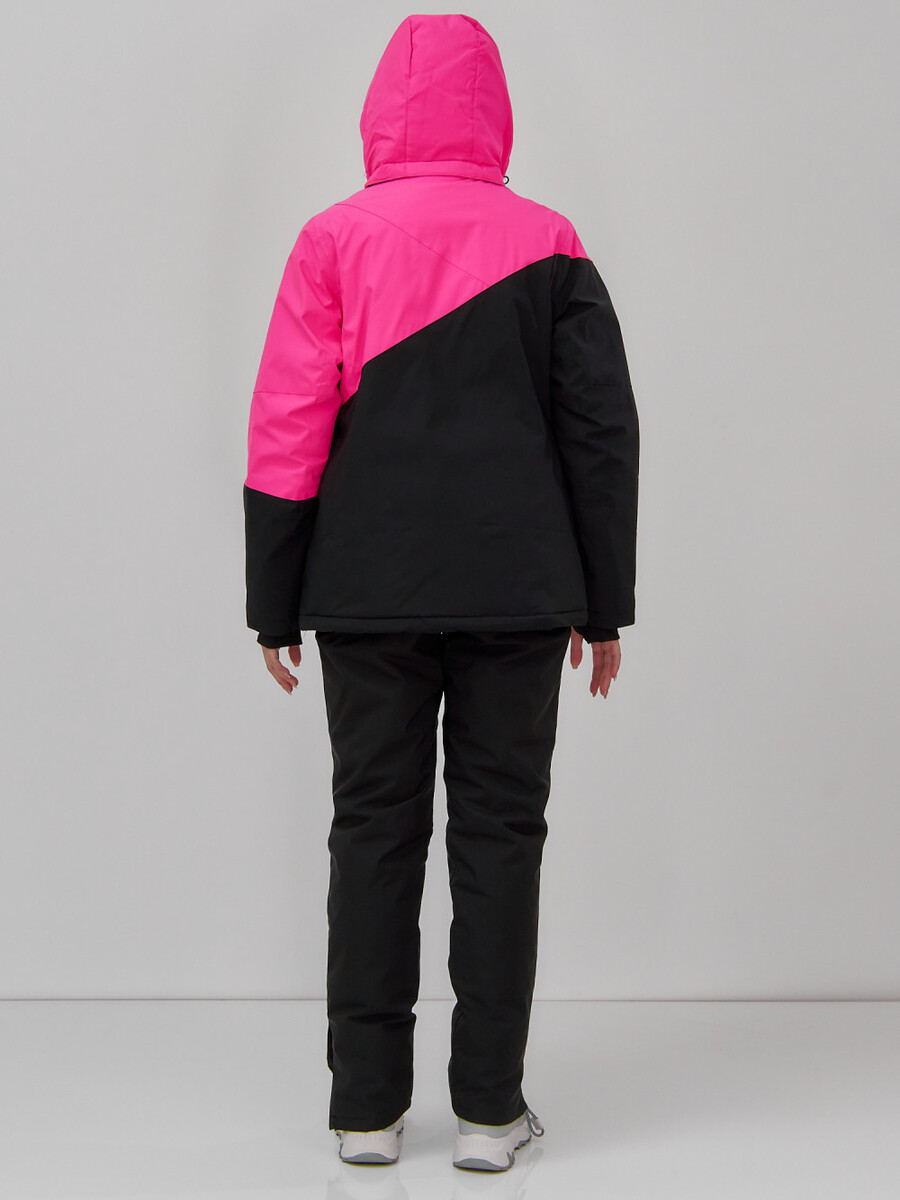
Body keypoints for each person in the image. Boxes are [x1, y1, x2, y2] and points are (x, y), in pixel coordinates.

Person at [242, 12, 639, 1173]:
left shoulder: (332, 237)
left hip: (365, 588)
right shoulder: (550, 242)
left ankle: (365, 1114)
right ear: (493, 110)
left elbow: (287, 421)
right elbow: (601, 434)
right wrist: (603, 604)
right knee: (501, 835)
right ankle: (488, 1113)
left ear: (381, 110)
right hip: (521, 588)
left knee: (372, 831)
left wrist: (275, 598)